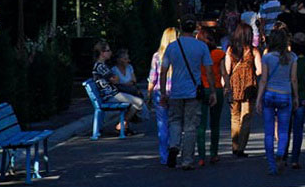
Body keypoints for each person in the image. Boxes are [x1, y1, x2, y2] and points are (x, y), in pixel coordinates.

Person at [160, 15, 216, 170]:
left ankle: (173, 145)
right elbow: (209, 71)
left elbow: (163, 71)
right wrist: (212, 91)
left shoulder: (172, 47)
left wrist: (163, 93)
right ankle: (187, 160)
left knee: (175, 121)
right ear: (195, 29)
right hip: (193, 92)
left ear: (181, 28)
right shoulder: (201, 47)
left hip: (176, 91)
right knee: (191, 126)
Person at [255, 29, 298, 175]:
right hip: (285, 95)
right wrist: (296, 96)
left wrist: (258, 99)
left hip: (269, 95)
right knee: (284, 130)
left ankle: (271, 165)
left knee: (268, 132)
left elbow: (263, 80)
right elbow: (293, 79)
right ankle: (281, 152)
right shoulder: (292, 57)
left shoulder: (267, 58)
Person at [225, 22, 261, 158]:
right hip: (249, 87)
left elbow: (227, 70)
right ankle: (241, 147)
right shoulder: (253, 51)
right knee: (246, 118)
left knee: (234, 117)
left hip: (234, 87)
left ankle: (234, 146)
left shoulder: (230, 50)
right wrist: (248, 73)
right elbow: (260, 71)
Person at [92, 41, 145, 134]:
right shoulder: (100, 67)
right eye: (108, 50)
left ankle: (124, 125)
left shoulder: (104, 66)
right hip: (110, 95)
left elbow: (115, 78)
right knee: (139, 102)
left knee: (135, 100)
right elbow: (115, 79)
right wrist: (114, 78)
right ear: (102, 53)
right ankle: (122, 124)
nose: (110, 52)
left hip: (112, 93)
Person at [196, 28, 228, 166]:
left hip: (202, 89)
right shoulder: (219, 54)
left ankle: (201, 156)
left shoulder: (197, 54)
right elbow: (224, 72)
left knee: (201, 124)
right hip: (216, 88)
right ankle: (214, 153)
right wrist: (227, 86)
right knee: (215, 123)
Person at [147, 28, 177, 165]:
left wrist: (149, 94)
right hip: (176, 91)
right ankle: (174, 148)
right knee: (176, 123)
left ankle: (164, 155)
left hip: (160, 91)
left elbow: (153, 78)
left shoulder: (157, 56)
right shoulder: (178, 54)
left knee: (162, 124)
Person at [289, 32, 305, 169]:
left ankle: (282, 154)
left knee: (285, 128)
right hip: (302, 96)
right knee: (298, 129)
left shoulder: (287, 60)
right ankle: (295, 158)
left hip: (287, 95)